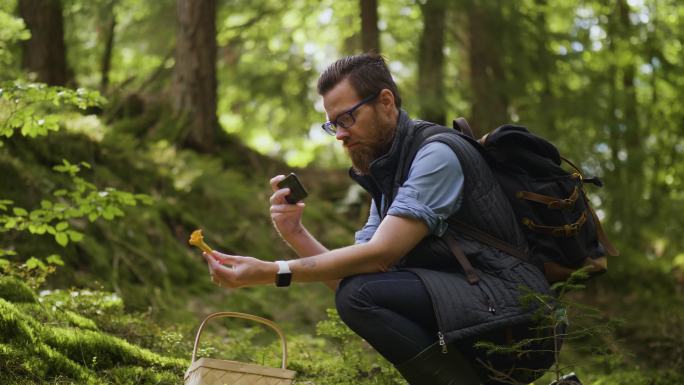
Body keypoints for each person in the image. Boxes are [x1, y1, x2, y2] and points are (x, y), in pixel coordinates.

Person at [201, 53, 557, 385]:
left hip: (522, 318)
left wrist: (271, 271)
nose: (339, 134)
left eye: (347, 118)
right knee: (358, 292)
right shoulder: (389, 175)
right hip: (480, 311)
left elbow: (379, 257)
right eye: (332, 125)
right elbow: (352, 282)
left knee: (361, 294)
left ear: (386, 102)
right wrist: (296, 233)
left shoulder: (437, 156)